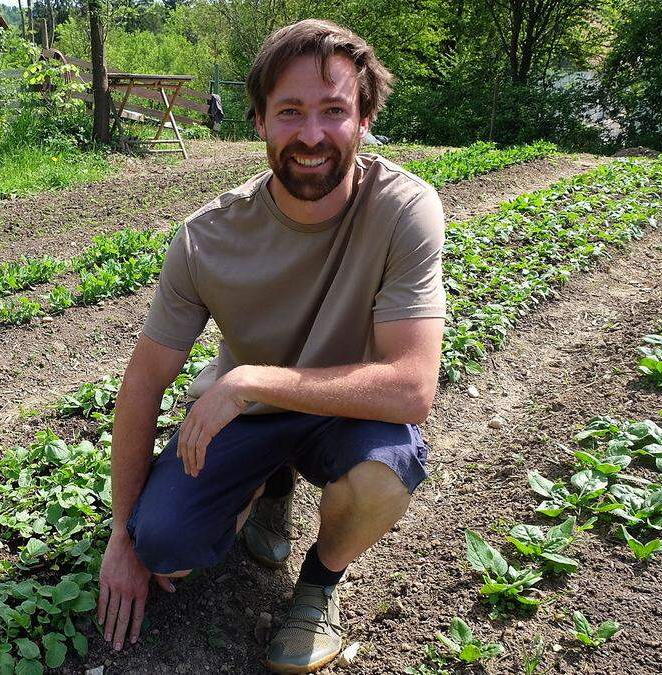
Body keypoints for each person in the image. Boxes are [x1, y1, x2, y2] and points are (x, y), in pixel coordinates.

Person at [97, 18, 445, 673]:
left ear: (365, 118)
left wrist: (253, 379)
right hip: (250, 416)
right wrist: (122, 535)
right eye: (289, 111)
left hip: (347, 412)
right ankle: (272, 484)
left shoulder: (403, 210)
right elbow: (143, 381)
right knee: (162, 544)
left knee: (382, 472)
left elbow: (411, 387)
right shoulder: (205, 238)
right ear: (258, 120)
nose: (311, 135)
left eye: (334, 110)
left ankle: (318, 585)